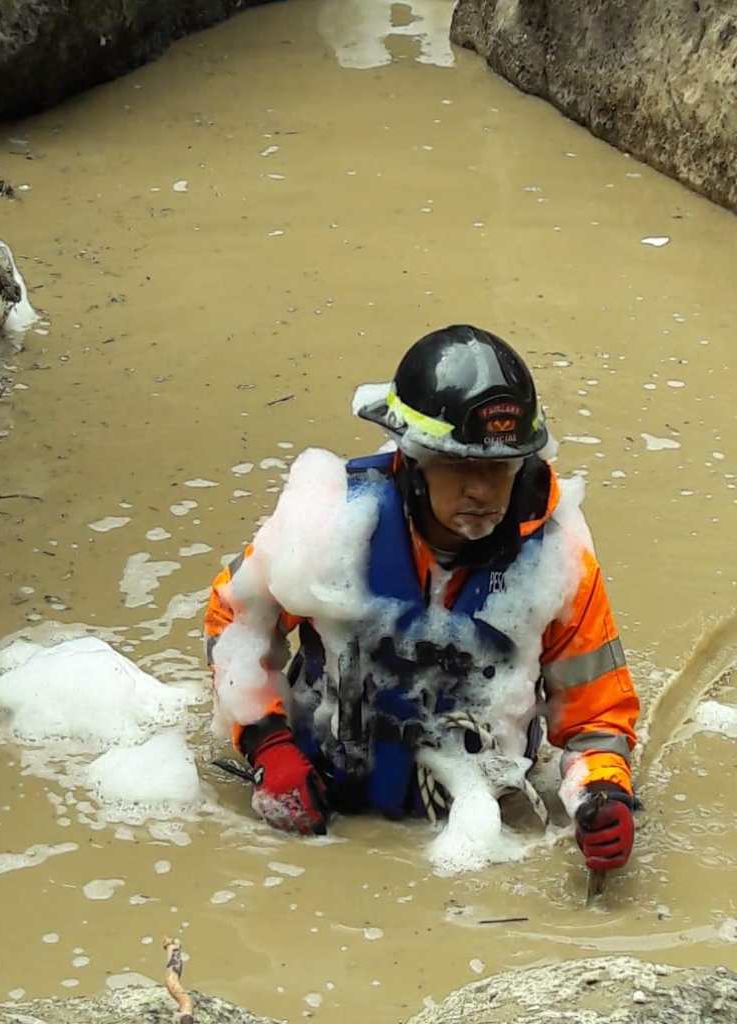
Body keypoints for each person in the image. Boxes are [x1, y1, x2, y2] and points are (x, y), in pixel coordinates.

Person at [204, 325, 639, 875]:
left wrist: (602, 796)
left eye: (499, 469)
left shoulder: (559, 560)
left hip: (483, 833)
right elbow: (234, 621)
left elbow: (597, 718)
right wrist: (269, 747)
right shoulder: (331, 523)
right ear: (412, 462)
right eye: (460, 468)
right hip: (322, 814)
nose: (482, 491)